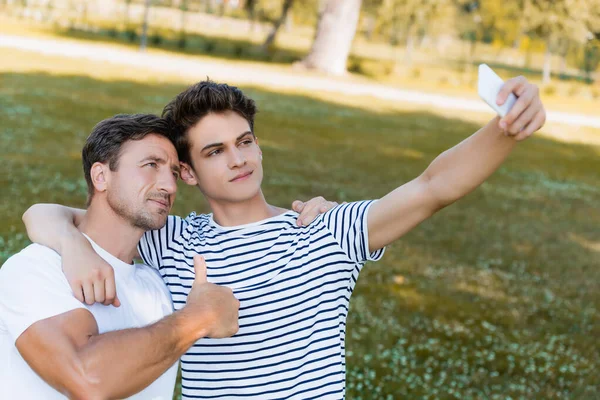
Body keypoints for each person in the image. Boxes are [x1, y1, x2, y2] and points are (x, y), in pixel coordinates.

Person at [24, 77, 546, 399]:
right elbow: (53, 215)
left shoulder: (323, 231)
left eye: (245, 141)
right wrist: (71, 247)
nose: (239, 159)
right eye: (215, 152)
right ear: (186, 174)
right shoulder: (169, 240)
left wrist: (506, 127)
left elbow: (433, 187)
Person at [2, 113, 331, 399]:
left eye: (173, 172)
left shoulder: (157, 288)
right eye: (151, 166)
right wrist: (195, 319)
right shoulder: (36, 269)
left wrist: (306, 221)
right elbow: (87, 381)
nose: (169, 186)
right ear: (101, 176)